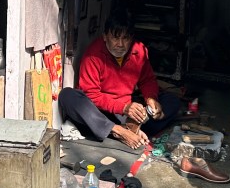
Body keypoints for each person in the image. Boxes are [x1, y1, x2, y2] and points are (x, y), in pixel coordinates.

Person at [58, 10, 181, 149]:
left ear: (132, 38)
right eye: (115, 38)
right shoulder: (93, 55)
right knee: (67, 96)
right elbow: (91, 95)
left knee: (172, 101)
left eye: (126, 38)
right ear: (105, 37)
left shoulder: (139, 50)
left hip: (127, 115)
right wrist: (123, 107)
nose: (120, 44)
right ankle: (119, 131)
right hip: (102, 113)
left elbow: (147, 80)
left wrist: (151, 99)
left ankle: (131, 129)